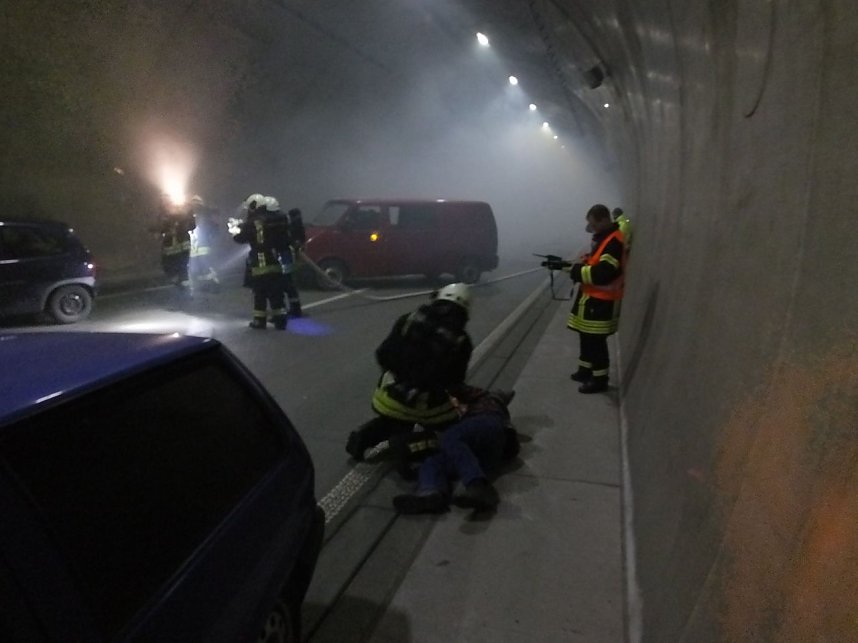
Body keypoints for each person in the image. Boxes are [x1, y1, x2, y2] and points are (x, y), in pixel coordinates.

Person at [345, 282, 474, 463]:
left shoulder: (408, 320)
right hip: (427, 406)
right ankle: (407, 445)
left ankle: (366, 435)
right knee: (451, 431)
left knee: (395, 421)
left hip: (388, 398)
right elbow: (454, 382)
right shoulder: (462, 342)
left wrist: (401, 377)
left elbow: (382, 354)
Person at [392, 386, 519, 514]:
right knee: (434, 461)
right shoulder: (502, 417)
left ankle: (476, 484)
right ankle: (430, 495)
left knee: (450, 437)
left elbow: (456, 387)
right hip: (483, 454)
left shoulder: (485, 401)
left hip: (483, 422)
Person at [546, 203, 626, 394]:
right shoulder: (603, 238)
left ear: (605, 220)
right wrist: (563, 265)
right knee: (585, 336)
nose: (593, 229)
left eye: (595, 225)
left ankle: (599, 380)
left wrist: (574, 270)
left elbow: (602, 273)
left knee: (596, 341)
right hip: (591, 299)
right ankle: (585, 370)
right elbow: (593, 262)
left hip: (602, 301)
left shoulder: (614, 242)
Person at [232, 193, 289, 329]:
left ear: (254, 206)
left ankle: (259, 321)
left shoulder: (252, 222)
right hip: (275, 260)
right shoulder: (277, 219)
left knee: (260, 292)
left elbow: (241, 238)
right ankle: (280, 320)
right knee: (276, 292)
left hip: (259, 262)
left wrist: (234, 231)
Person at [153, 196, 195, 298]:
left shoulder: (184, 213)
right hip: (169, 248)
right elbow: (158, 228)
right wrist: (163, 231)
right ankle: (180, 286)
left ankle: (186, 292)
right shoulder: (162, 216)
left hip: (182, 247)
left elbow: (192, 226)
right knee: (169, 269)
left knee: (182, 269)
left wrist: (188, 213)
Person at [187, 195, 221, 294]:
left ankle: (213, 284)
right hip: (195, 245)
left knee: (206, 267)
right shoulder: (191, 214)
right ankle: (204, 286)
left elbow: (213, 226)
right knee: (197, 268)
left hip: (203, 245)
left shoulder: (205, 213)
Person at [281, 207, 306, 318]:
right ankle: (295, 309)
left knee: (287, 285)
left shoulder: (292, 228)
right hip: (291, 260)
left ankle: (292, 310)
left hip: (287, 260)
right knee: (291, 285)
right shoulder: (298, 227)